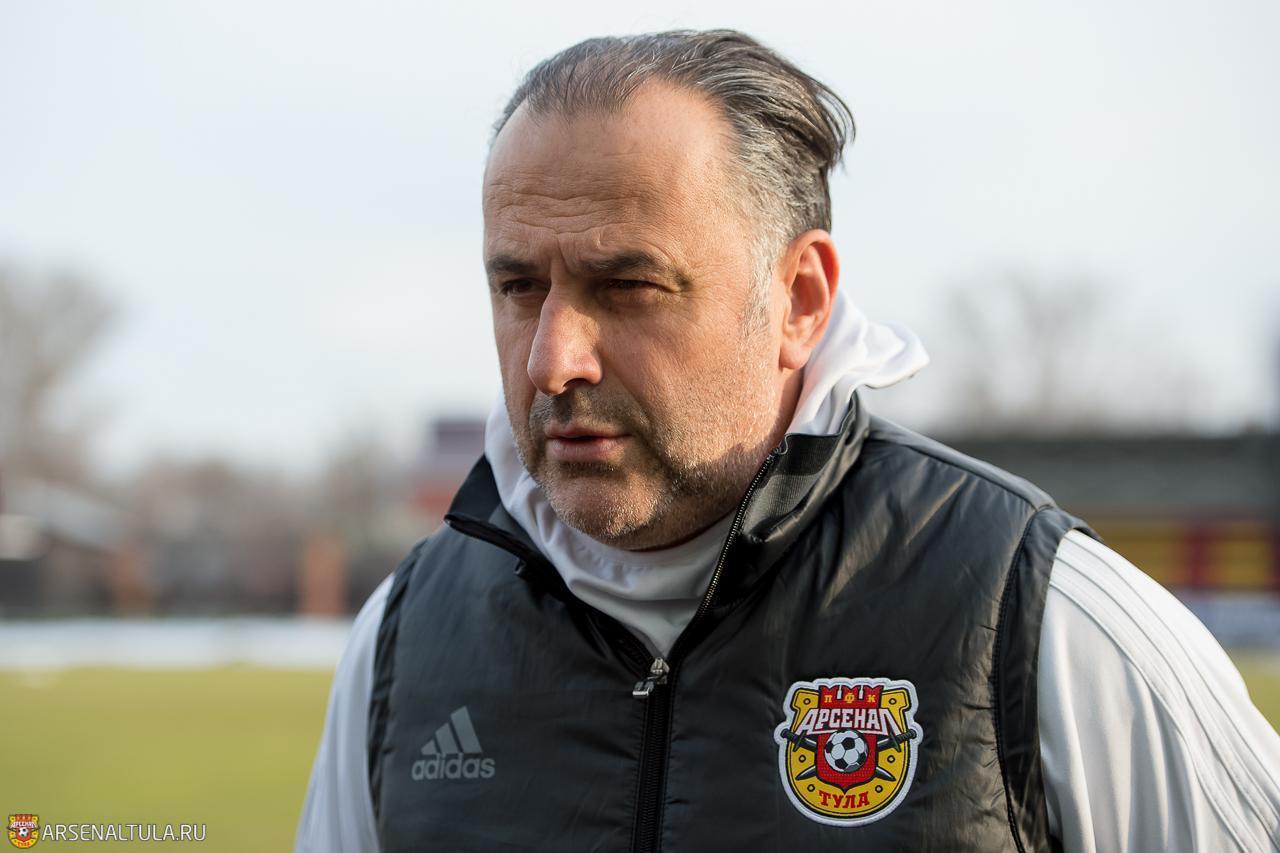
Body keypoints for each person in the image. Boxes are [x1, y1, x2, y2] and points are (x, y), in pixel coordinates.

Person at [296, 30, 1280, 852]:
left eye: (627, 287)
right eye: (518, 287)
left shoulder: (1042, 617)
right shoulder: (405, 641)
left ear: (799, 301)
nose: (554, 359)